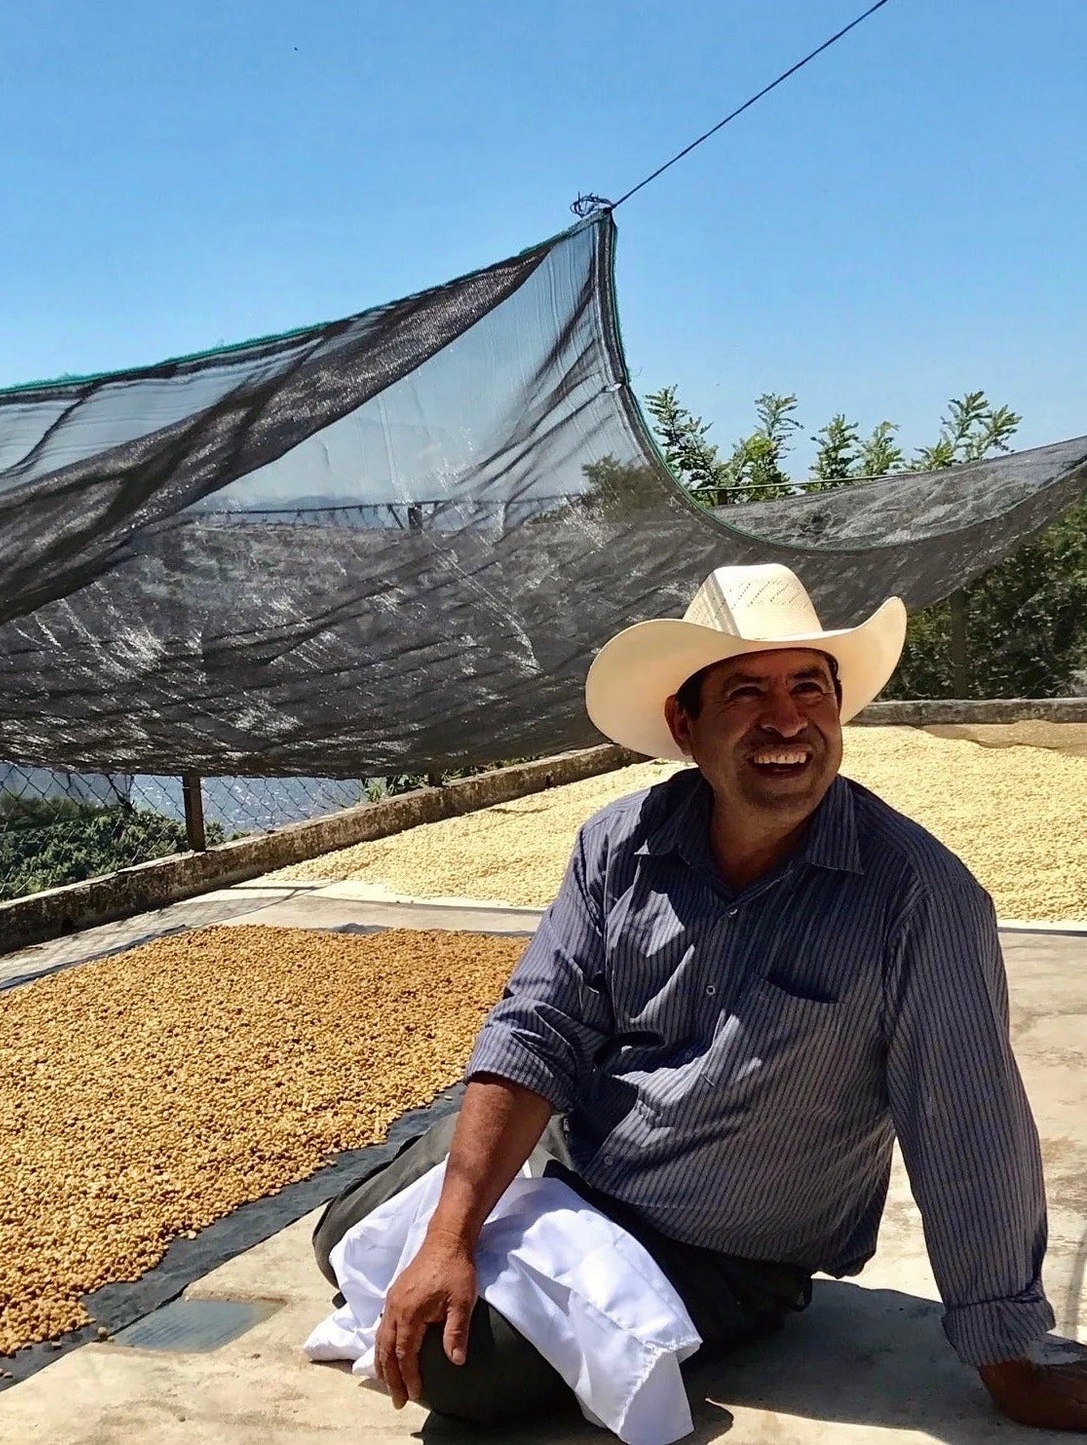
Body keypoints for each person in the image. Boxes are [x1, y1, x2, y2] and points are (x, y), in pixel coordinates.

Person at [312, 563, 1087, 1433]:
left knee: (451, 1361)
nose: (786, 720)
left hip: (719, 1251)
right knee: (341, 1230)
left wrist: (1008, 1360)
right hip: (574, 1166)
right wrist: (450, 1235)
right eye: (745, 692)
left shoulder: (916, 895)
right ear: (685, 723)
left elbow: (964, 1122)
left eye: (808, 688)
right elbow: (539, 1028)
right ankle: (467, 1211)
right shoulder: (619, 842)